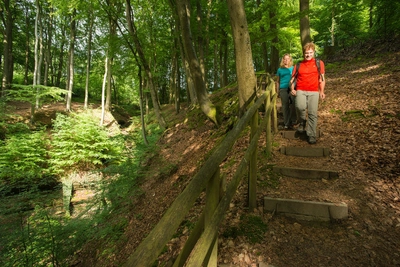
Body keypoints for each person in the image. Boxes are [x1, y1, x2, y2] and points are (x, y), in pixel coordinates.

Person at [290, 42, 326, 144]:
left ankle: (311, 134)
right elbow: (292, 79)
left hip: (314, 91)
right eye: (306, 53)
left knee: (312, 113)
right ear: (303, 53)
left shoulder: (319, 63)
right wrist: (292, 88)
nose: (308, 55)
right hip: (301, 90)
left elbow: (322, 79)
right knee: (299, 107)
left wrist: (322, 91)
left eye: (310, 52)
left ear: (314, 52)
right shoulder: (298, 65)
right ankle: (302, 122)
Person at [276, 54, 296, 130]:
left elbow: (296, 78)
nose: (286, 60)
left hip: (292, 88)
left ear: (290, 60)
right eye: (284, 59)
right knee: (285, 106)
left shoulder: (293, 68)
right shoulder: (279, 70)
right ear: (282, 60)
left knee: (294, 103)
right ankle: (286, 123)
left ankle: (293, 120)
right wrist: (277, 91)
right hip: (283, 89)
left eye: (287, 59)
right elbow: (277, 81)